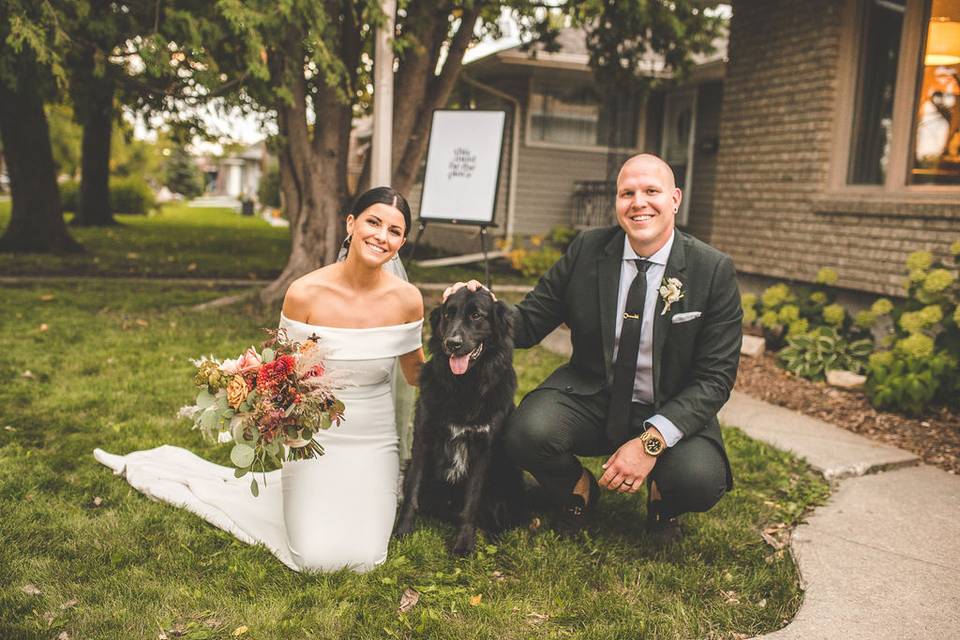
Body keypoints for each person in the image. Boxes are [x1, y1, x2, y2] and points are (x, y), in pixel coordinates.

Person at [95, 187, 425, 572]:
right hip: (314, 437)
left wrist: (466, 355)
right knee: (313, 558)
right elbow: (287, 370)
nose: (381, 236)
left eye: (394, 230)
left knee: (368, 558)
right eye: (373, 222)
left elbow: (417, 374)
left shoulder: (407, 300)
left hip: (374, 440)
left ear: (401, 242)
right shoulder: (305, 293)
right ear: (351, 224)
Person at [447, 154, 742, 541]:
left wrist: (650, 443)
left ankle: (663, 501)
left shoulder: (713, 270)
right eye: (627, 193)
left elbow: (715, 379)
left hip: (671, 402)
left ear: (675, 199)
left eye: (651, 191)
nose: (638, 202)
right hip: (592, 396)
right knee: (523, 433)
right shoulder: (588, 249)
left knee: (700, 480)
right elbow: (529, 322)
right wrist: (480, 305)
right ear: (616, 202)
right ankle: (578, 489)